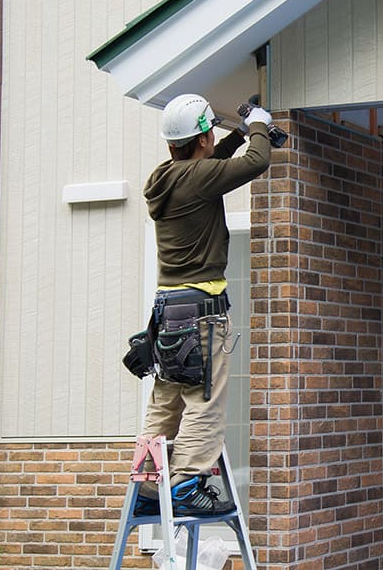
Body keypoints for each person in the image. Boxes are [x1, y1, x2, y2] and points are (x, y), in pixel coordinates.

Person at [135, 93, 274, 516]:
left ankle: (145, 487)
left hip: (167, 310)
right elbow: (255, 162)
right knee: (204, 400)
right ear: (201, 139)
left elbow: (213, 166)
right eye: (209, 134)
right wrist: (259, 127)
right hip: (201, 310)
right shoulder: (198, 178)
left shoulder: (165, 177)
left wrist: (234, 134)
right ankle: (184, 485)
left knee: (167, 398)